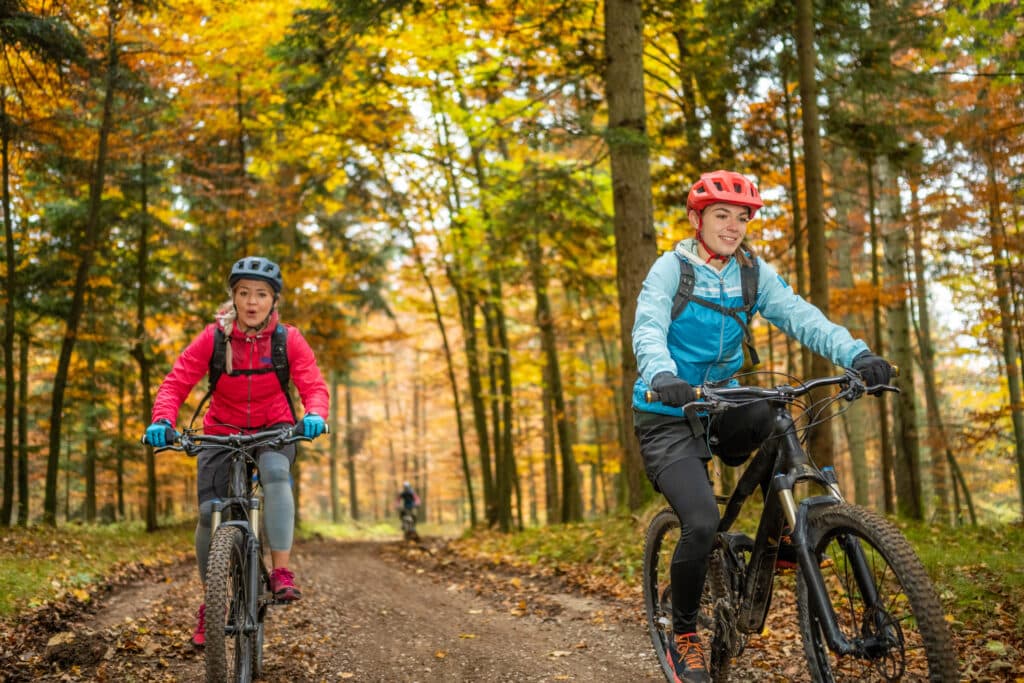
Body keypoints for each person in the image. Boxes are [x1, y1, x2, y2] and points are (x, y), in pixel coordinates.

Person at [631, 170, 892, 683]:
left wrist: (857, 355)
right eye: (721, 215)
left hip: (722, 402)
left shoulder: (752, 272)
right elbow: (648, 327)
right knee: (701, 523)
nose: (733, 226)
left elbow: (802, 317)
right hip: (666, 412)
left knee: (778, 413)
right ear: (696, 219)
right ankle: (684, 635)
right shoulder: (671, 269)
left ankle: (785, 538)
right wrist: (661, 374)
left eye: (742, 218)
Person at [144, 256, 329, 647]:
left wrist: (315, 414)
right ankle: (212, 603)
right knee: (209, 512)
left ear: (273, 301)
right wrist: (162, 420)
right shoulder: (214, 338)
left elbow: (313, 384)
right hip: (221, 431)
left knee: (276, 475)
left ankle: (281, 571)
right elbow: (176, 383)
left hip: (274, 427)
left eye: (260, 294)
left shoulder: (288, 339)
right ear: (233, 297)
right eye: (243, 293)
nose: (251, 302)